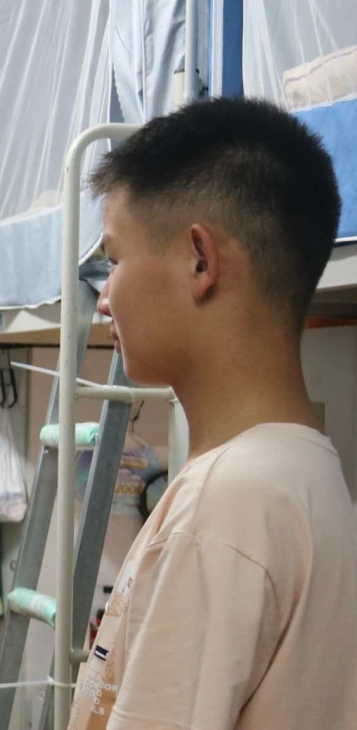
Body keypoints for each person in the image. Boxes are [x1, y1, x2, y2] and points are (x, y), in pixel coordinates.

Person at [69, 97, 357, 729]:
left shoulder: (224, 504)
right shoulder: (301, 471)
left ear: (200, 260)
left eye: (114, 261)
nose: (104, 300)